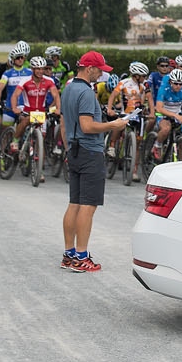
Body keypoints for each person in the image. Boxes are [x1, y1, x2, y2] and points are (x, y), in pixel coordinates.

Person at [60, 51, 137, 273]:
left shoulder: (68, 88)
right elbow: (87, 126)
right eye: (100, 70)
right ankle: (81, 257)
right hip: (89, 151)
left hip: (74, 148)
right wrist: (114, 125)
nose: (101, 75)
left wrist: (68, 148)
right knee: (88, 205)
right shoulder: (85, 92)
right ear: (90, 68)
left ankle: (69, 254)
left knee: (74, 203)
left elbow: (64, 124)